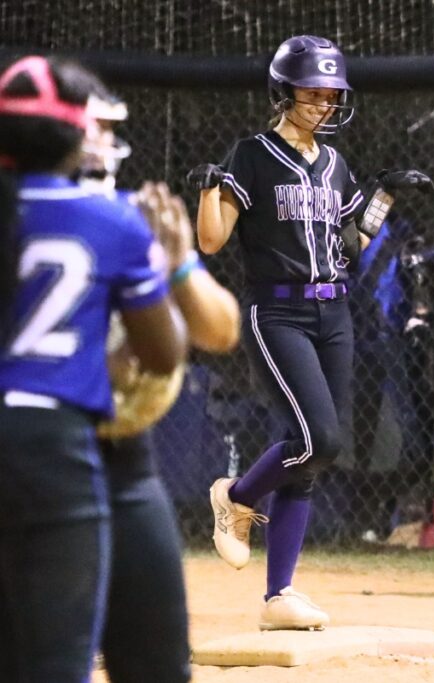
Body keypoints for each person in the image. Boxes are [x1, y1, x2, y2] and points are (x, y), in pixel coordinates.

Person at [189, 34, 431, 631]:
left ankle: (280, 597)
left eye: (331, 94)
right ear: (283, 91)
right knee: (317, 436)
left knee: (314, 457)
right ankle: (238, 497)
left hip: (335, 314)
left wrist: (385, 197)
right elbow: (212, 240)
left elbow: (352, 244)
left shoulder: (335, 163)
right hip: (278, 314)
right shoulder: (252, 154)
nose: (324, 102)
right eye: (312, 92)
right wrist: (206, 188)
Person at [0, 56, 186, 682]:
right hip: (55, 451)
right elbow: (164, 355)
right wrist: (164, 266)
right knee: (56, 661)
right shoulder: (111, 220)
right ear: (78, 136)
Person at [82, 87, 241, 683]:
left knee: (156, 655)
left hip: (125, 457)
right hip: (36, 447)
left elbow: (220, 328)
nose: (100, 142)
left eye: (103, 129)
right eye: (88, 128)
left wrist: (175, 263)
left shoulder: (131, 218)